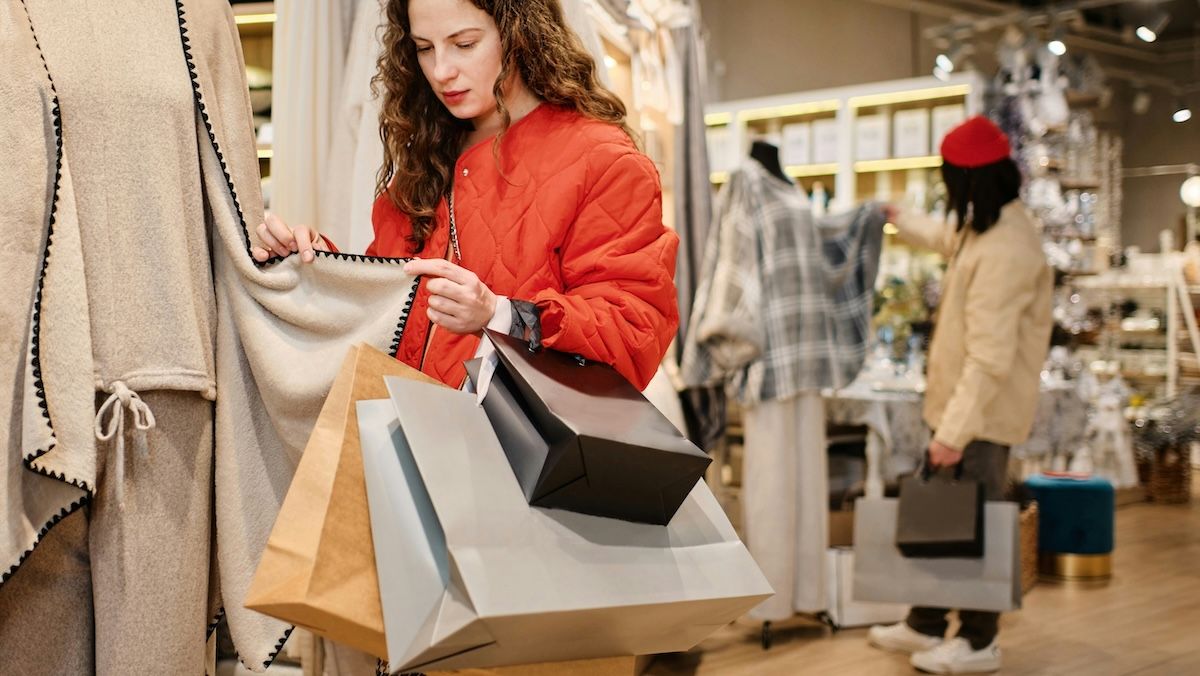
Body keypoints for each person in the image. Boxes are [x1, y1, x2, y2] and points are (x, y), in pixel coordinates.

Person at [256, 0, 680, 390]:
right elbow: (386, 310)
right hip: (407, 434)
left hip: (515, 445)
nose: (441, 71)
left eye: (464, 44)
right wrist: (315, 265)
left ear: (519, 33)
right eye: (425, 48)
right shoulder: (422, 163)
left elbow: (634, 331)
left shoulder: (602, 160)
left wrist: (500, 314)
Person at [867, 115, 1053, 675]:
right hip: (962, 409)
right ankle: (925, 621)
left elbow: (990, 359)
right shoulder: (987, 228)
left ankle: (978, 639)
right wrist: (898, 217)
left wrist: (952, 433)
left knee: (977, 526)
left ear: (970, 181)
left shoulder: (1007, 249)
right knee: (944, 522)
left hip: (980, 418)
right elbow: (947, 238)